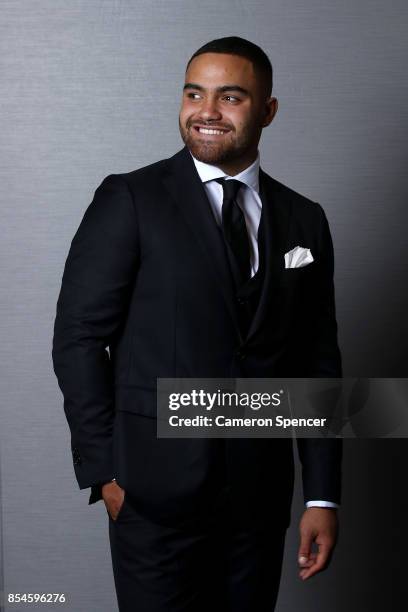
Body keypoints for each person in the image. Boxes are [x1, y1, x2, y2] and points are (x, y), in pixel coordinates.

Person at [52, 36, 342, 612]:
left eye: (229, 96)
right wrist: (105, 473)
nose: (206, 110)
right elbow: (79, 337)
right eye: (194, 93)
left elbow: (317, 363)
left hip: (258, 501)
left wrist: (323, 497)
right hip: (151, 497)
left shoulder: (305, 218)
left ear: (267, 111)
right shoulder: (130, 198)